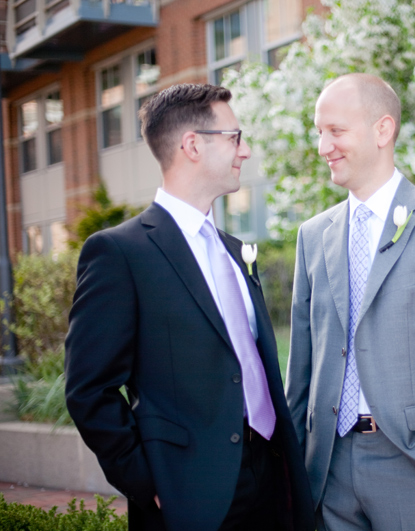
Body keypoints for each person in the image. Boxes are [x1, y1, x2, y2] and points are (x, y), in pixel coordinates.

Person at [64, 83, 314, 531]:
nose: (247, 151)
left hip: (272, 481)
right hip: (191, 495)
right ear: (193, 145)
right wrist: (150, 482)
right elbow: (89, 390)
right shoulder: (119, 252)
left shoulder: (234, 250)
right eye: (235, 137)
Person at [286, 73, 415, 530]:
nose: (323, 146)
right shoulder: (312, 236)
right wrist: (293, 456)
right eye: (318, 131)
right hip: (328, 468)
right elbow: (302, 360)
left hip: (414, 462)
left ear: (383, 130)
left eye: (335, 131)